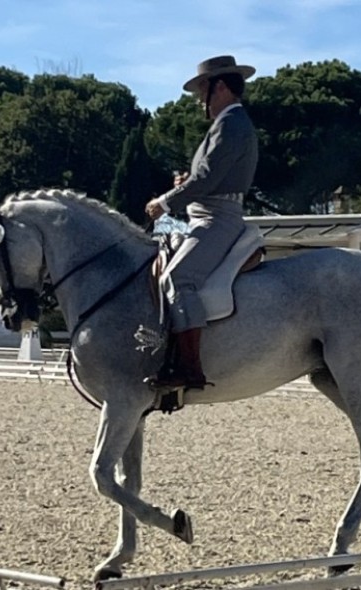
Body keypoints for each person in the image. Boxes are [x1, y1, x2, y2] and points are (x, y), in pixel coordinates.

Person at [144, 55, 258, 390]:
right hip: (202, 212)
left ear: (220, 87)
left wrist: (165, 202)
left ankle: (191, 369)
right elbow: (208, 177)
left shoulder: (232, 123)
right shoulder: (226, 123)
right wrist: (186, 184)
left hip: (216, 218)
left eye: (202, 89)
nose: (198, 99)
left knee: (180, 278)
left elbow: (207, 177)